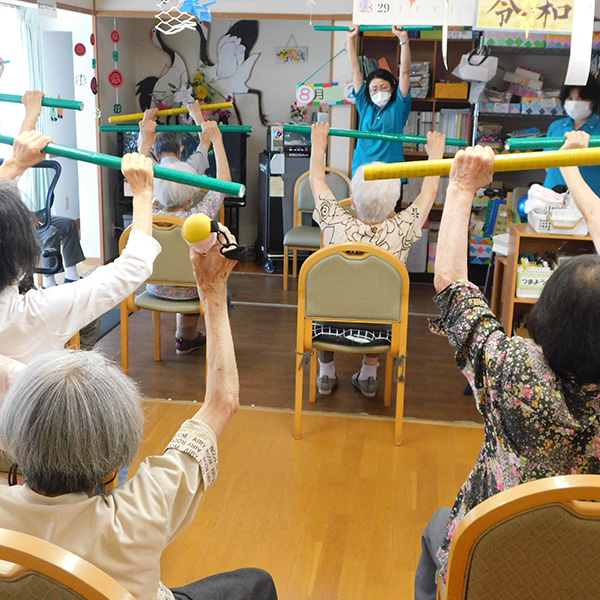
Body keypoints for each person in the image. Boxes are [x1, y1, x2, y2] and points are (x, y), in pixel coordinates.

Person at [0, 235, 278, 600]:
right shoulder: (141, 512)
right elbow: (221, 403)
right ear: (117, 456)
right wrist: (212, 287)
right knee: (256, 583)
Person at [414, 138, 600, 600]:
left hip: (490, 564)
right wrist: (572, 169)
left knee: (437, 531)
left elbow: (452, 286)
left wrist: (460, 188)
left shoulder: (516, 373)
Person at [0, 130, 161, 363]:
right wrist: (143, 194)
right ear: (19, 253)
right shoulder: (27, 316)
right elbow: (133, 267)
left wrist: (15, 164)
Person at [309, 121, 446, 397]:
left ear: (353, 200)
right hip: (381, 325)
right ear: (395, 201)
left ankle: (326, 373)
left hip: (331, 322)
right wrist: (435, 156)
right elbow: (428, 193)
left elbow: (317, 180)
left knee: (325, 295)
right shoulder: (402, 228)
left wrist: (319, 145)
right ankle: (369, 375)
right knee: (378, 297)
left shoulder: (336, 224)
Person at [137, 104, 230, 354]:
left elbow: (138, 174)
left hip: (154, 286)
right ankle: (188, 336)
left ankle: (185, 337)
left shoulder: (147, 212)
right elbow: (224, 183)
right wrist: (217, 141)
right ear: (191, 197)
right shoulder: (197, 216)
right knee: (205, 274)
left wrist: (145, 138)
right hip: (192, 288)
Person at [15, 91, 87, 288]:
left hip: (28, 215)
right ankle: (48, 282)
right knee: (51, 232)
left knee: (69, 224)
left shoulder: (11, 172)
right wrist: (32, 113)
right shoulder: (10, 168)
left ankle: (72, 275)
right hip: (16, 222)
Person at [347, 23, 413, 208]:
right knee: (362, 225)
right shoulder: (365, 106)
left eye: (384, 87)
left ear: (392, 88)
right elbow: (355, 70)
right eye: (374, 89)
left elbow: (406, 72)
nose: (379, 92)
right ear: (368, 92)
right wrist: (350, 39)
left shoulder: (399, 107)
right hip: (362, 174)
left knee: (389, 227)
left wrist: (404, 41)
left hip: (390, 176)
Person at [543, 75, 600, 196]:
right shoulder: (556, 127)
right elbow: (546, 165)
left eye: (580, 99)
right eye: (570, 98)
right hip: (552, 198)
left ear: (594, 101)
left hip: (591, 200)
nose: (574, 104)